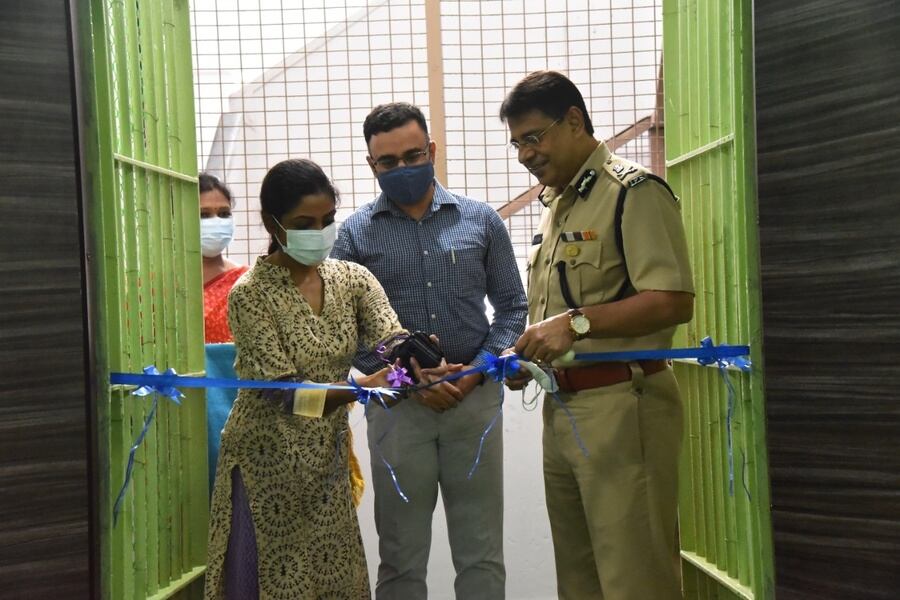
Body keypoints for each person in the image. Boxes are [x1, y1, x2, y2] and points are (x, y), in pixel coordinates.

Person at [499, 71, 694, 600]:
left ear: (575, 121)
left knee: (635, 579)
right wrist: (531, 354)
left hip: (623, 408)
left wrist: (575, 324)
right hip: (563, 411)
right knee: (580, 582)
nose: (524, 155)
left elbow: (672, 300)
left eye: (533, 138)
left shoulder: (631, 193)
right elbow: (553, 314)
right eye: (516, 143)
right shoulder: (559, 205)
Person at [331, 102, 527, 599]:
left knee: (481, 553)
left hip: (474, 401)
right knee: (399, 557)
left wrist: (478, 370)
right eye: (387, 162)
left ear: (432, 150)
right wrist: (406, 382)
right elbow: (344, 331)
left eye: (412, 155)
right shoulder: (354, 235)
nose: (401, 168)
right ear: (371, 164)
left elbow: (511, 308)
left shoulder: (481, 220)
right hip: (398, 410)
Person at [204, 159, 407, 599]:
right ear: (271, 224)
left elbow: (390, 337)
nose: (319, 232)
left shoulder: (352, 279)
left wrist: (417, 360)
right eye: (304, 223)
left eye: (328, 220)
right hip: (264, 464)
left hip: (325, 463)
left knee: (336, 580)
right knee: (270, 581)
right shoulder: (250, 294)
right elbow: (286, 393)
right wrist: (363, 386)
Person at [199, 172, 248, 343]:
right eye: (203, 215)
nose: (216, 221)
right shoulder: (155, 285)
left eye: (224, 213)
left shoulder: (244, 280)